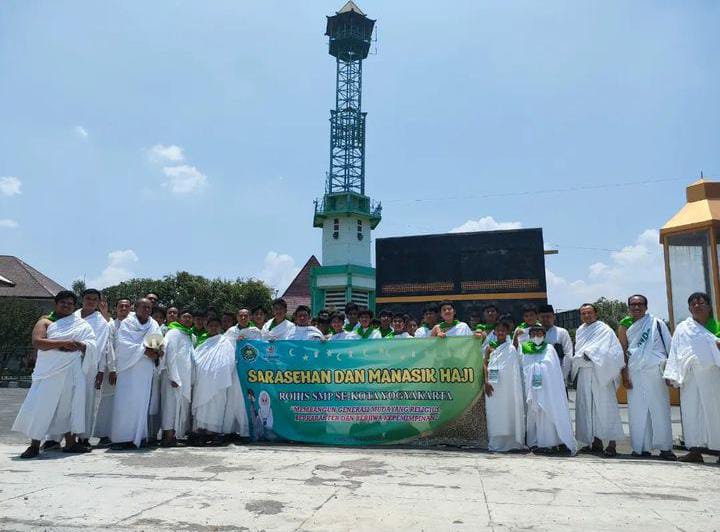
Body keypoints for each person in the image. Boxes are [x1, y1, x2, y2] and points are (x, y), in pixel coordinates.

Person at [13, 291, 97, 458]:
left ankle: (71, 443)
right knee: (41, 407)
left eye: (70, 304)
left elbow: (92, 343)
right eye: (63, 302)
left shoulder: (80, 324)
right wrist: (63, 343)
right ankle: (34, 445)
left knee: (70, 405)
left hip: (72, 370)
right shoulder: (46, 321)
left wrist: (80, 345)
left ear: (74, 306)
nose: (66, 306)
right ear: (56, 303)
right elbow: (38, 342)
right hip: (49, 371)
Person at [617, 295, 676, 460]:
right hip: (635, 372)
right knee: (637, 410)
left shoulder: (656, 323)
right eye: (633, 304)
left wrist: (670, 372)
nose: (636, 307)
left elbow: (669, 346)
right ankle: (640, 447)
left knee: (660, 409)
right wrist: (625, 375)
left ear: (646, 306)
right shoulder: (624, 325)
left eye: (640, 304)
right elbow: (622, 350)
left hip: (655, 371)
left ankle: (665, 448)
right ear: (629, 307)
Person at [664, 292, 720, 463]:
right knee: (691, 412)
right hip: (688, 375)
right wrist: (671, 373)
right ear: (689, 308)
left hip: (712, 374)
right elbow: (675, 350)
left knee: (715, 411)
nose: (697, 306)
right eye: (693, 304)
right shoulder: (683, 328)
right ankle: (695, 451)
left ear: (709, 306)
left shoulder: (716, 326)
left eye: (701, 303)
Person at [573, 303, 626, 456]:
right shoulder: (580, 331)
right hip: (584, 372)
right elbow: (579, 351)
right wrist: (583, 356)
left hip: (601, 372)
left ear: (596, 313)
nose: (587, 316)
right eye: (583, 313)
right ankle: (595, 442)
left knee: (605, 407)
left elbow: (613, 351)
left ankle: (612, 444)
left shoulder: (604, 329)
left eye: (589, 313)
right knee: (587, 408)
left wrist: (591, 353)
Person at [110, 298, 163, 449]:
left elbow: (156, 343)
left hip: (145, 368)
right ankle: (121, 438)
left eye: (149, 308)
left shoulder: (153, 324)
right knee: (125, 403)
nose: (146, 310)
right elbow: (123, 344)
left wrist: (155, 352)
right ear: (136, 308)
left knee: (142, 403)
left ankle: (140, 436)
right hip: (128, 368)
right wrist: (145, 350)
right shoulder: (127, 323)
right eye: (143, 307)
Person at [192, 313, 249, 444]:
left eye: (216, 326)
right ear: (206, 327)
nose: (213, 328)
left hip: (219, 383)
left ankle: (213, 432)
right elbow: (197, 360)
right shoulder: (203, 343)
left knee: (216, 407)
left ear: (220, 327)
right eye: (211, 326)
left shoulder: (226, 342)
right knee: (203, 406)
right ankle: (202, 432)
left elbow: (229, 361)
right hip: (203, 382)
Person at [520, 325, 577, 455]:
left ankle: (552, 442)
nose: (536, 336)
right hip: (533, 388)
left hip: (548, 390)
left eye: (539, 333)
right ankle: (536, 443)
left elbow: (553, 369)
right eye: (533, 333)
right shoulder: (525, 349)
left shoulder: (550, 349)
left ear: (544, 335)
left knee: (548, 414)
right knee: (534, 414)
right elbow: (524, 368)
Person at [73, 289, 112, 449]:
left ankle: (83, 437)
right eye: (88, 298)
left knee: (86, 402)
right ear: (82, 299)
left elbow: (101, 348)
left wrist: (101, 371)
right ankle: (54, 438)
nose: (90, 301)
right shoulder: (71, 316)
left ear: (98, 302)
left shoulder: (101, 322)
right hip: (66, 363)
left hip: (88, 365)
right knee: (64, 400)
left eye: (94, 299)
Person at [484, 320, 525, 452]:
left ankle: (511, 442)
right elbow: (484, 364)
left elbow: (514, 367)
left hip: (508, 387)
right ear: (494, 332)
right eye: (498, 330)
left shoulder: (511, 348)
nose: (500, 332)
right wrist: (485, 381)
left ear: (506, 332)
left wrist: (516, 338)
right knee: (494, 413)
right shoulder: (489, 347)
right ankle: (496, 442)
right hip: (493, 386)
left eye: (503, 330)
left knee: (508, 411)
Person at [93, 297, 130, 444]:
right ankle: (104, 434)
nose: (123, 308)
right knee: (108, 401)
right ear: (116, 308)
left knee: (125, 402)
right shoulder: (111, 325)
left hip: (129, 369)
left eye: (126, 306)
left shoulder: (135, 325)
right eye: (121, 306)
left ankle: (123, 433)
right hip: (112, 369)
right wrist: (112, 369)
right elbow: (108, 348)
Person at [160, 309, 194, 447]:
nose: (187, 319)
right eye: (184, 317)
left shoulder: (189, 335)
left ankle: (175, 436)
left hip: (185, 378)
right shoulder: (173, 332)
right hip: (173, 378)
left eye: (190, 317)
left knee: (181, 408)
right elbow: (170, 355)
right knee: (170, 407)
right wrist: (173, 377)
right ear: (179, 319)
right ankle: (167, 437)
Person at [538, 304, 574, 384]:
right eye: (543, 317)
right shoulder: (534, 333)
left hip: (557, 373)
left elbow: (568, 355)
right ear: (538, 318)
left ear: (554, 317)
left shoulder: (562, 332)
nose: (545, 319)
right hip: (540, 375)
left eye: (548, 316)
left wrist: (563, 375)